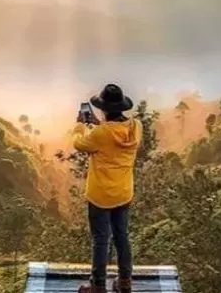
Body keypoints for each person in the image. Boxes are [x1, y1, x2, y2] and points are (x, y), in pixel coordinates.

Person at [73, 84, 142, 293]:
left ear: (103, 108)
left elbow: (79, 144)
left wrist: (80, 126)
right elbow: (112, 134)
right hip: (123, 192)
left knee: (101, 240)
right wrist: (98, 124)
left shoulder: (100, 133)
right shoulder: (135, 127)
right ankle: (125, 282)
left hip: (101, 195)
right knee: (122, 235)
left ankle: (98, 285)